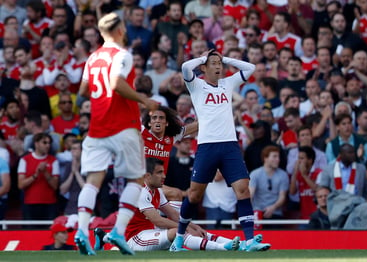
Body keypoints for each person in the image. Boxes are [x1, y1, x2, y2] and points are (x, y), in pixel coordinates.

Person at [74, 13, 158, 256]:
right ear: (120, 29)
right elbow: (116, 83)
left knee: (93, 181)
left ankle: (81, 231)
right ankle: (119, 231)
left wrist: (99, 102)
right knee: (135, 180)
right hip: (123, 126)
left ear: (101, 33)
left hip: (96, 128)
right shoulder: (123, 55)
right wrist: (144, 100)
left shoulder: (92, 58)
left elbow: (82, 91)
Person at [170, 49, 270, 252]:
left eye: (219, 63)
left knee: (243, 189)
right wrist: (203, 58)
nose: (218, 66)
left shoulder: (227, 83)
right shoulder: (196, 84)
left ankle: (250, 241)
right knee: (195, 196)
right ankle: (179, 238)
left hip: (230, 146)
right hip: (207, 146)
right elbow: (185, 67)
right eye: (213, 63)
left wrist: (224, 59)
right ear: (204, 68)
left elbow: (249, 68)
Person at [94, 158, 240, 252]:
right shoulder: (141, 192)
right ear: (147, 176)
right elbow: (158, 220)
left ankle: (237, 245)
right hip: (136, 238)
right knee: (178, 231)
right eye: (159, 172)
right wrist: (185, 227)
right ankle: (221, 248)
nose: (164, 176)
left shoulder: (156, 190)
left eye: (163, 172)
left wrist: (193, 226)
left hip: (149, 233)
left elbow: (173, 214)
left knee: (190, 229)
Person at [17, 133, 59, 225]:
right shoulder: (24, 160)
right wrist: (36, 175)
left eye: (49, 143)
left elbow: (55, 186)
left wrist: (45, 173)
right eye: (44, 142)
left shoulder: (53, 160)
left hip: (49, 204)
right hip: (30, 203)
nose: (48, 145)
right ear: (36, 143)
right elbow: (21, 185)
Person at [249, 145, 289, 222]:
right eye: (274, 156)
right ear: (265, 158)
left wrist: (273, 207)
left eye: (278, 157)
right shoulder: (255, 174)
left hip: (276, 213)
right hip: (257, 213)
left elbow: (282, 196)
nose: (277, 159)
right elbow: (251, 194)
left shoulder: (283, 175)